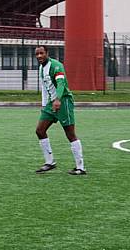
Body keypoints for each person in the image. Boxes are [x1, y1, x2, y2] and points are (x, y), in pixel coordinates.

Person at [34, 45, 86, 175]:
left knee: (70, 134)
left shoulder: (56, 66)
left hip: (63, 102)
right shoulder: (41, 68)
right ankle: (50, 162)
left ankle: (80, 167)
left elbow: (61, 84)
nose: (39, 56)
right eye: (37, 54)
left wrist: (58, 99)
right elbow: (45, 88)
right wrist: (44, 105)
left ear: (47, 53)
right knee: (40, 131)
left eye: (41, 53)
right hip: (51, 104)